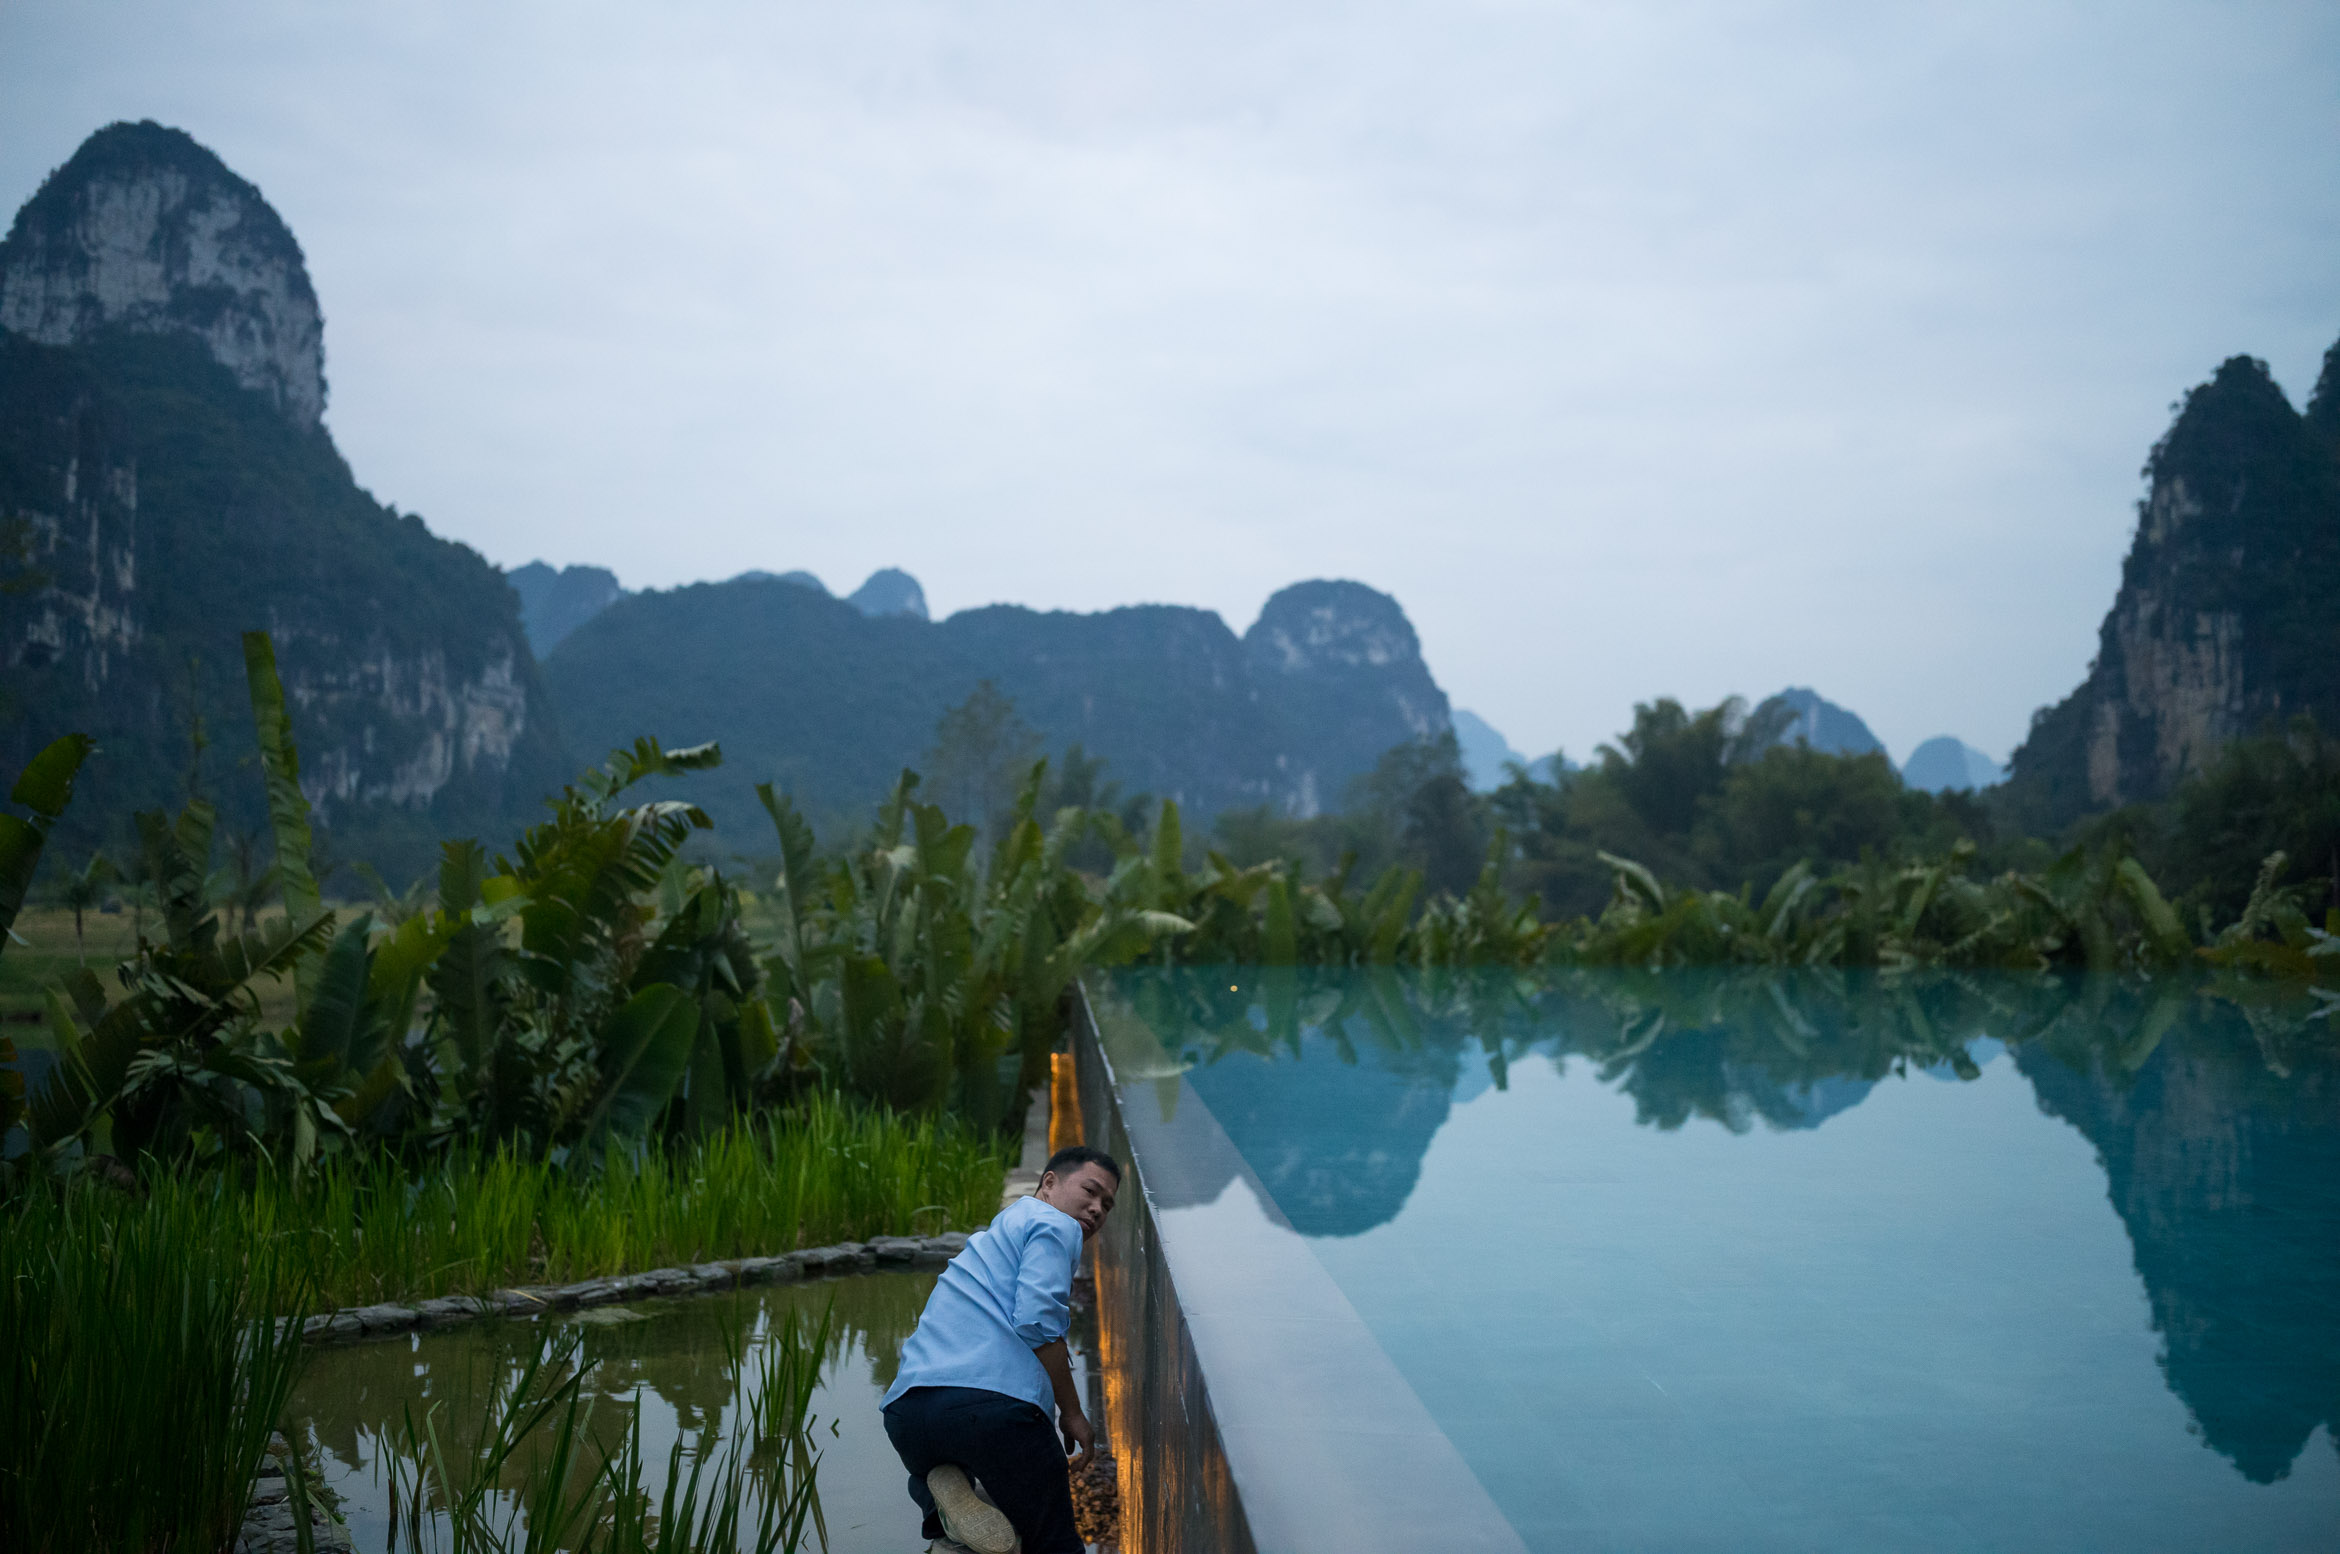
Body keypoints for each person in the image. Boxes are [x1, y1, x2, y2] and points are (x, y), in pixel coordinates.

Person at [881, 1144, 1121, 1554]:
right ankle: (958, 1502)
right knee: (1056, 1543)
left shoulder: (995, 1236)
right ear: (1049, 1183)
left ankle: (942, 1505)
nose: (1097, 1209)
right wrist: (1073, 1412)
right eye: (1090, 1191)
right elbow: (1037, 1320)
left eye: (1107, 1204)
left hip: (908, 1415)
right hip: (993, 1412)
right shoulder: (1055, 1224)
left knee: (937, 1477)